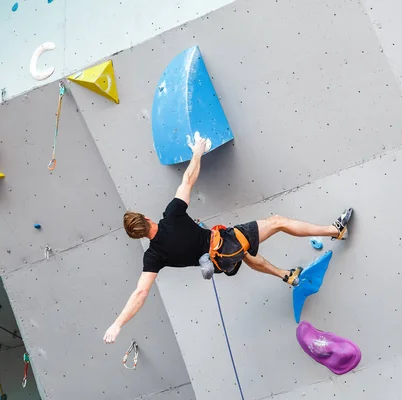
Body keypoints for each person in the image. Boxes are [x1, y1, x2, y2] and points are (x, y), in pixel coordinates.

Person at [103, 132, 353, 344]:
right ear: (146, 219)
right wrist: (198, 151)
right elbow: (188, 179)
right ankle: (335, 230)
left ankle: (287, 276)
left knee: (246, 254)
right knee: (277, 222)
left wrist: (117, 324)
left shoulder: (153, 256)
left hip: (221, 265)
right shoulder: (171, 215)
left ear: (139, 236)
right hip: (226, 242)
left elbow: (140, 294)